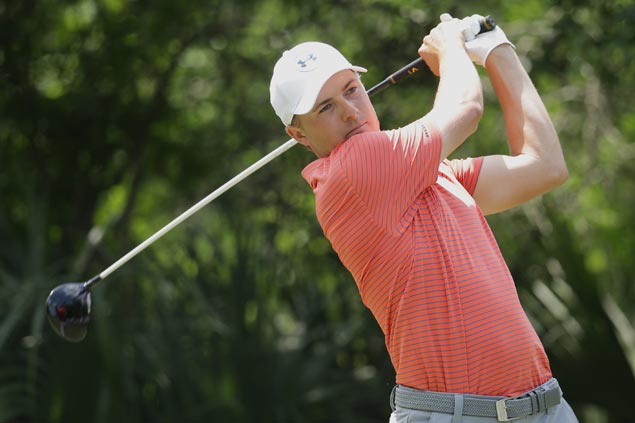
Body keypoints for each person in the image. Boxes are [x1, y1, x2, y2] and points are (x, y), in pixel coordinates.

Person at [269, 13, 578, 423]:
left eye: (351, 90)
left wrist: (497, 50)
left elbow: (544, 166)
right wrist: (451, 46)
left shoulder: (435, 173)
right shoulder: (351, 169)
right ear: (300, 136)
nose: (349, 112)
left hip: (544, 406)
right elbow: (466, 109)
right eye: (325, 107)